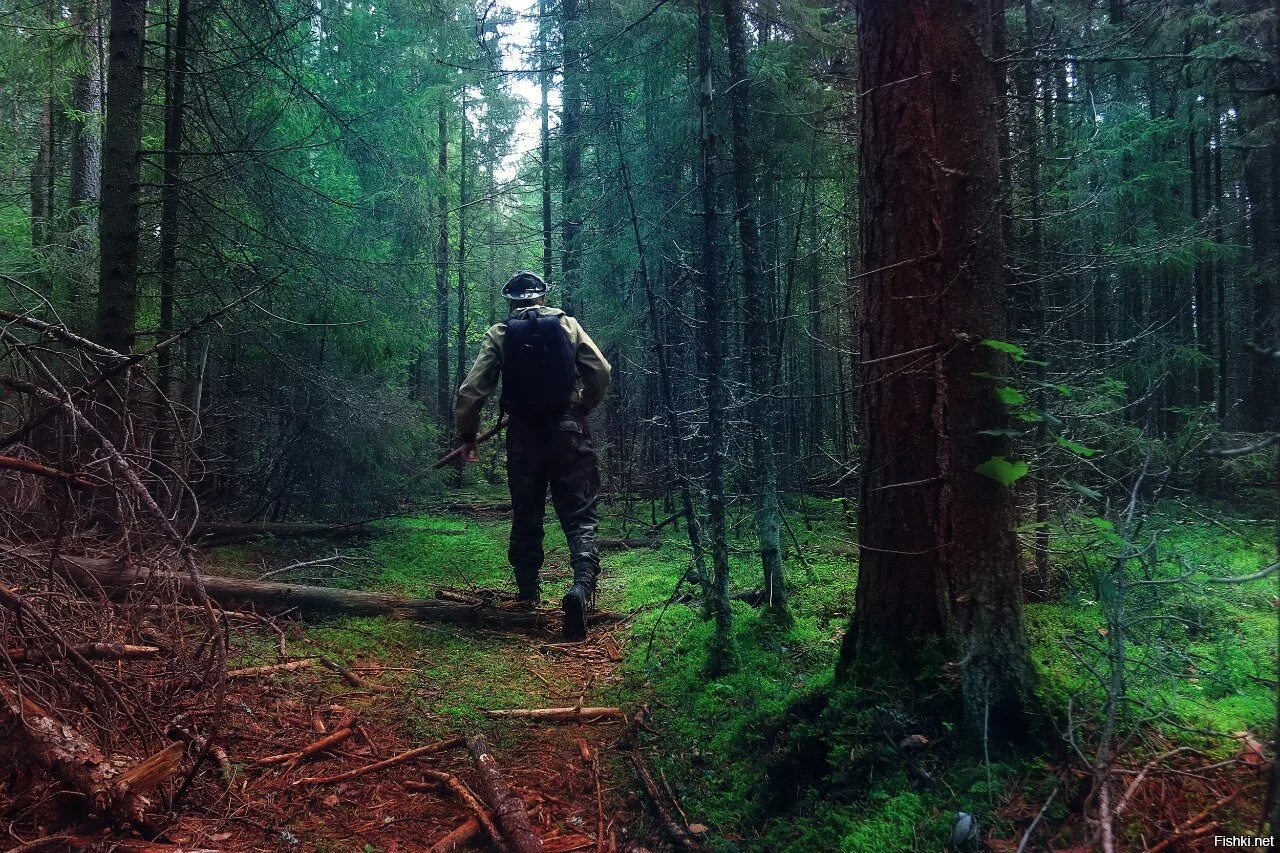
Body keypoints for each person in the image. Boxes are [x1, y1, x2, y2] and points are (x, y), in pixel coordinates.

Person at [454, 271, 612, 640]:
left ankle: (526, 598)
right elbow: (600, 371)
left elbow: (471, 391)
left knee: (527, 513)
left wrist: (468, 435)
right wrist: (582, 405)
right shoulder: (568, 325)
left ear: (510, 301)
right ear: (542, 298)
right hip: (568, 432)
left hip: (524, 436)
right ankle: (581, 588)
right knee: (580, 514)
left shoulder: (501, 333)